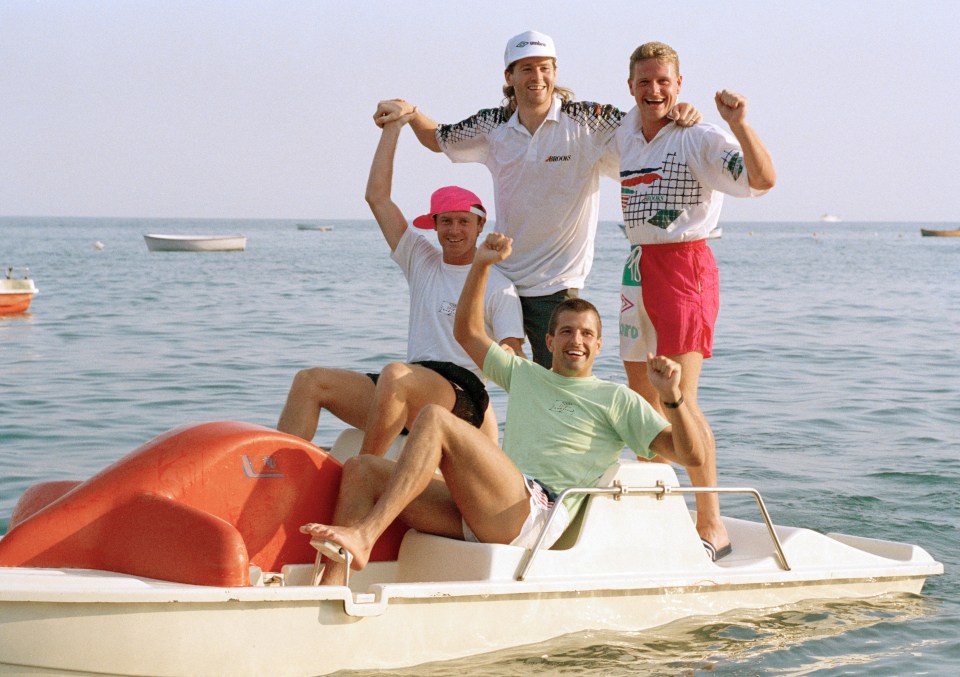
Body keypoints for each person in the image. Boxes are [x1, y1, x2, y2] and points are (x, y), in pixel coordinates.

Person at [301, 232, 707, 584]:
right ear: (549, 342)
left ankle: (366, 536)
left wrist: (673, 397)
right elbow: (467, 332)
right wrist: (481, 264)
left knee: (436, 420)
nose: (576, 341)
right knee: (361, 469)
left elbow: (690, 455)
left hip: (540, 515)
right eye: (566, 331)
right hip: (494, 506)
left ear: (599, 345)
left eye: (586, 334)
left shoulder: (616, 399)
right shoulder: (526, 375)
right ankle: (327, 592)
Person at [373, 30, 701, 367]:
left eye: (545, 68)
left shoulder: (588, 121)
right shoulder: (492, 126)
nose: (537, 77)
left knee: (556, 387)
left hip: (556, 286)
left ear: (555, 72)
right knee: (474, 370)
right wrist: (409, 113)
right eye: (527, 68)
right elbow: (438, 138)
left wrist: (679, 111)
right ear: (509, 76)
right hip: (501, 281)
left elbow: (647, 126)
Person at [277, 112, 524, 457]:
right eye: (446, 222)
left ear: (480, 225)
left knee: (395, 374)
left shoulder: (500, 286)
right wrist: (393, 127)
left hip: (460, 394)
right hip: (407, 386)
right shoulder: (422, 261)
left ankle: (366, 470)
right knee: (310, 382)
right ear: (434, 226)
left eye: (463, 222)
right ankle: (276, 483)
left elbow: (513, 353)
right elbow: (377, 198)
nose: (454, 230)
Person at [615, 41, 777, 560]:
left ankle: (712, 524)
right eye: (645, 81)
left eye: (664, 81)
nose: (654, 90)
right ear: (631, 85)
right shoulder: (624, 131)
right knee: (641, 399)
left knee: (679, 398)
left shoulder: (700, 136)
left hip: (685, 267)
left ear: (678, 84)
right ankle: (660, 511)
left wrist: (741, 124)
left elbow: (763, 180)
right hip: (637, 265)